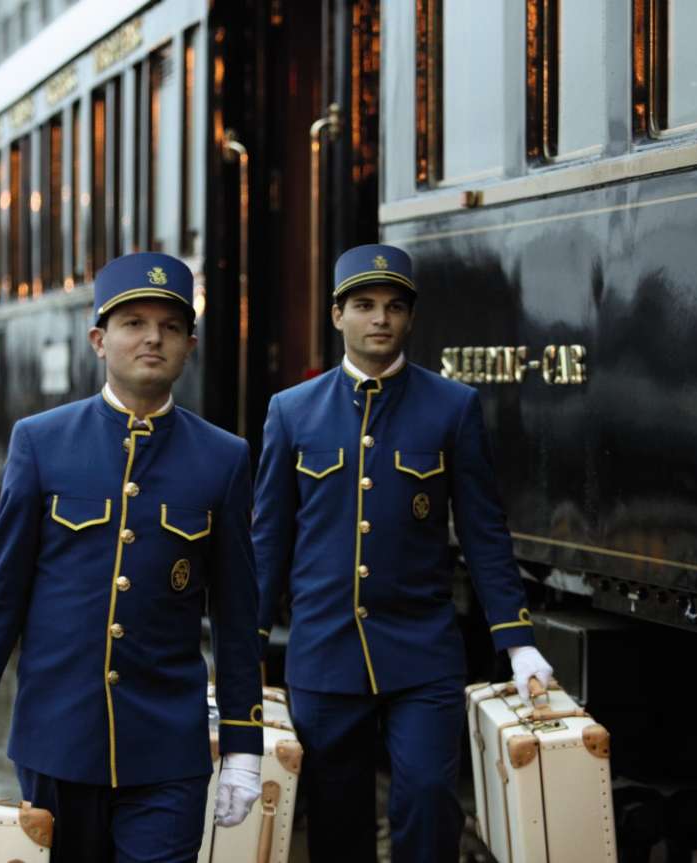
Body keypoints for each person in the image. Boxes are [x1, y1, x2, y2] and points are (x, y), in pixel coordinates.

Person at [0, 252, 264, 863]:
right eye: (133, 322)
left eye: (169, 326)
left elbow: (239, 616)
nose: (152, 338)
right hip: (59, 739)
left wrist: (244, 748)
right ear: (98, 339)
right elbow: (0, 594)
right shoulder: (41, 442)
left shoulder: (224, 457)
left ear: (190, 344)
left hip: (168, 748)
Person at [252, 243, 555, 862]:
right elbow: (269, 539)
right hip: (325, 652)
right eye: (364, 305)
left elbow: (483, 531)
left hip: (422, 654)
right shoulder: (291, 412)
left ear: (411, 318)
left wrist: (517, 640)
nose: (380, 319)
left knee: (426, 799)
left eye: (394, 306)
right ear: (337, 315)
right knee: (337, 819)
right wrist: (245, 646)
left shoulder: (453, 406)